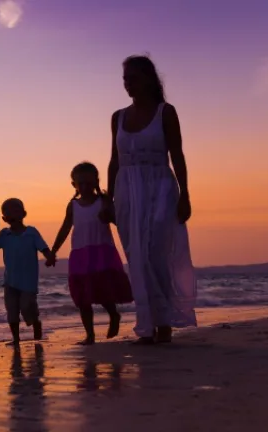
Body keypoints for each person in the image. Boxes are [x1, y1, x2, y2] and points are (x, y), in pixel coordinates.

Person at [104, 55, 197, 344]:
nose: (127, 84)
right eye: (124, 79)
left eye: (132, 78)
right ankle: (147, 324)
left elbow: (177, 155)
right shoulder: (117, 117)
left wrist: (185, 195)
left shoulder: (165, 112)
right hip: (127, 190)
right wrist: (109, 200)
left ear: (148, 78)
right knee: (136, 256)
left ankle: (164, 322)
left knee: (155, 252)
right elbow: (113, 161)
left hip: (160, 187)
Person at [49, 162, 133, 345]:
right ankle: (90, 334)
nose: (85, 187)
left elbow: (120, 221)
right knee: (82, 297)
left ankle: (113, 315)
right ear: (74, 185)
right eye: (81, 183)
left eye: (89, 183)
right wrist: (53, 250)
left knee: (104, 291)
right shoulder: (73, 205)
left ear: (96, 182)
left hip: (102, 251)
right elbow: (65, 228)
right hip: (80, 253)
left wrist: (110, 216)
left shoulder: (103, 202)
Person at [0, 198, 54, 347]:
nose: (12, 214)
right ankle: (16, 339)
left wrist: (49, 257)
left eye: (16, 210)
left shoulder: (31, 232)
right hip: (10, 281)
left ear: (24, 213)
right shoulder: (4, 235)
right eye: (8, 212)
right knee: (12, 310)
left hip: (28, 281)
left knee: (26, 307)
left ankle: (36, 322)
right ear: (4, 218)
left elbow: (44, 247)